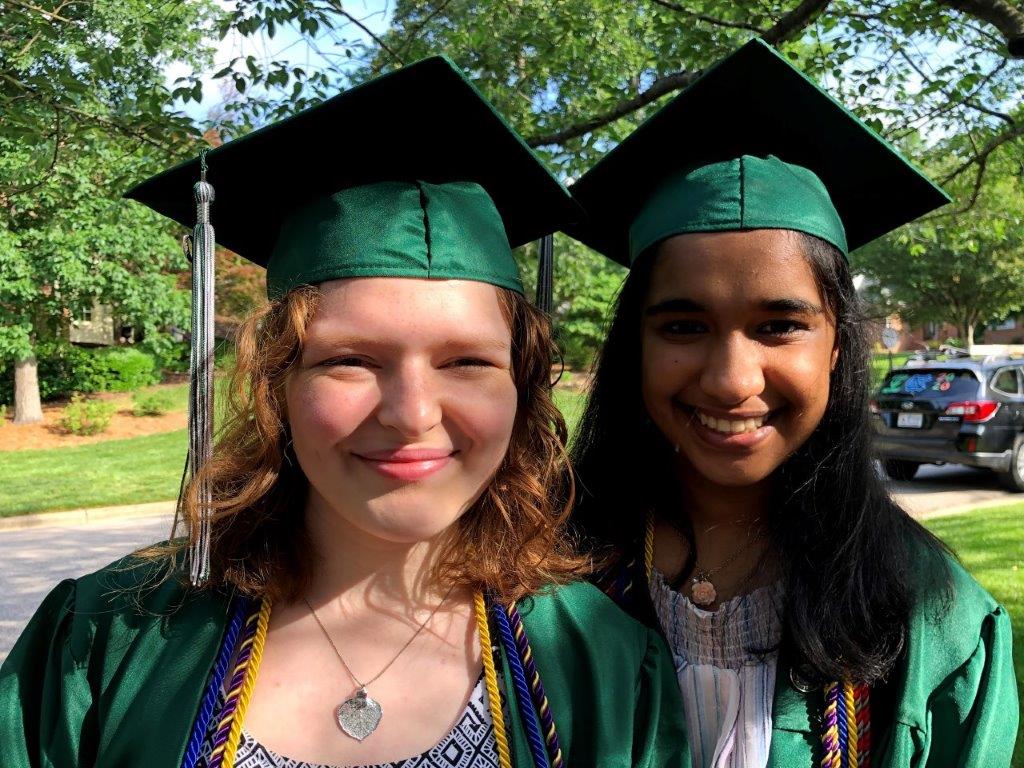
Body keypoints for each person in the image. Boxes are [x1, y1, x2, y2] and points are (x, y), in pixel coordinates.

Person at [0, 57, 687, 768]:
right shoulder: (106, 639)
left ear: (525, 384)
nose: (412, 413)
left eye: (467, 362)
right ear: (276, 383)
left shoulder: (603, 663)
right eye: (350, 360)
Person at [567, 39, 1019, 767]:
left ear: (837, 346)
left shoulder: (936, 621)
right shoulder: (537, 583)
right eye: (684, 326)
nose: (731, 379)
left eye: (780, 326)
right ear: (635, 347)